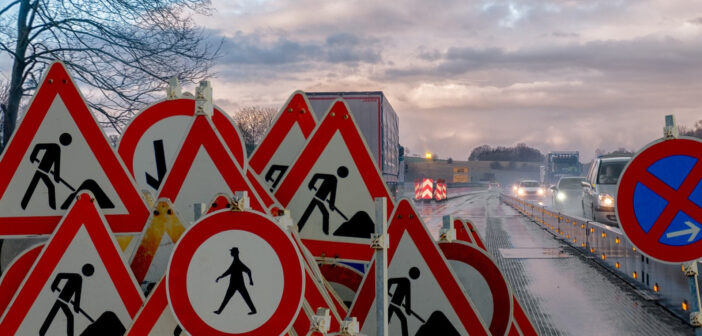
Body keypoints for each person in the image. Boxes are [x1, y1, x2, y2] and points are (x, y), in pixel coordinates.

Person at [40, 263, 94, 336]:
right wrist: (54, 285)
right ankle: (42, 332)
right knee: (68, 316)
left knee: (54, 314)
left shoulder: (78, 278)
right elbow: (60, 275)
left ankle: (42, 331)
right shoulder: (77, 277)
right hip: (62, 300)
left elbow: (77, 294)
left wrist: (76, 307)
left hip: (63, 301)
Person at [22, 133, 72, 210]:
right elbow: (38, 146)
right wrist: (33, 156)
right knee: (49, 187)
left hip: (44, 171)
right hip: (41, 170)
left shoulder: (57, 148)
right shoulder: (54, 146)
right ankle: (52, 208)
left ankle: (23, 204)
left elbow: (56, 164)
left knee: (33, 186)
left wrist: (56, 177)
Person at [298, 166, 348, 234]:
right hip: (318, 198)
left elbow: (332, 193)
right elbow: (316, 175)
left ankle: (298, 227)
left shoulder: (333, 178)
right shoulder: (333, 178)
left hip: (318, 199)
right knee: (325, 214)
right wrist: (311, 185)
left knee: (308, 212)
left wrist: (331, 205)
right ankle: (326, 233)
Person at [214, 247, 256, 315]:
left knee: (229, 297)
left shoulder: (237, 262)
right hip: (236, 284)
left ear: (234, 253)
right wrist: (220, 277)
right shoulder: (235, 262)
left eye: (231, 252)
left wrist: (251, 280)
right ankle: (219, 311)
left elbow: (248, 270)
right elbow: (229, 271)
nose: (230, 253)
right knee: (243, 297)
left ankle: (219, 311)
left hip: (236, 284)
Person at [388, 267, 421, 336]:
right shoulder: (405, 280)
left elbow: (407, 297)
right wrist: (386, 290)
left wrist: (407, 310)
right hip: (393, 305)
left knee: (402, 320)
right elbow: (389, 281)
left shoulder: (407, 282)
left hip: (396, 306)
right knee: (402, 320)